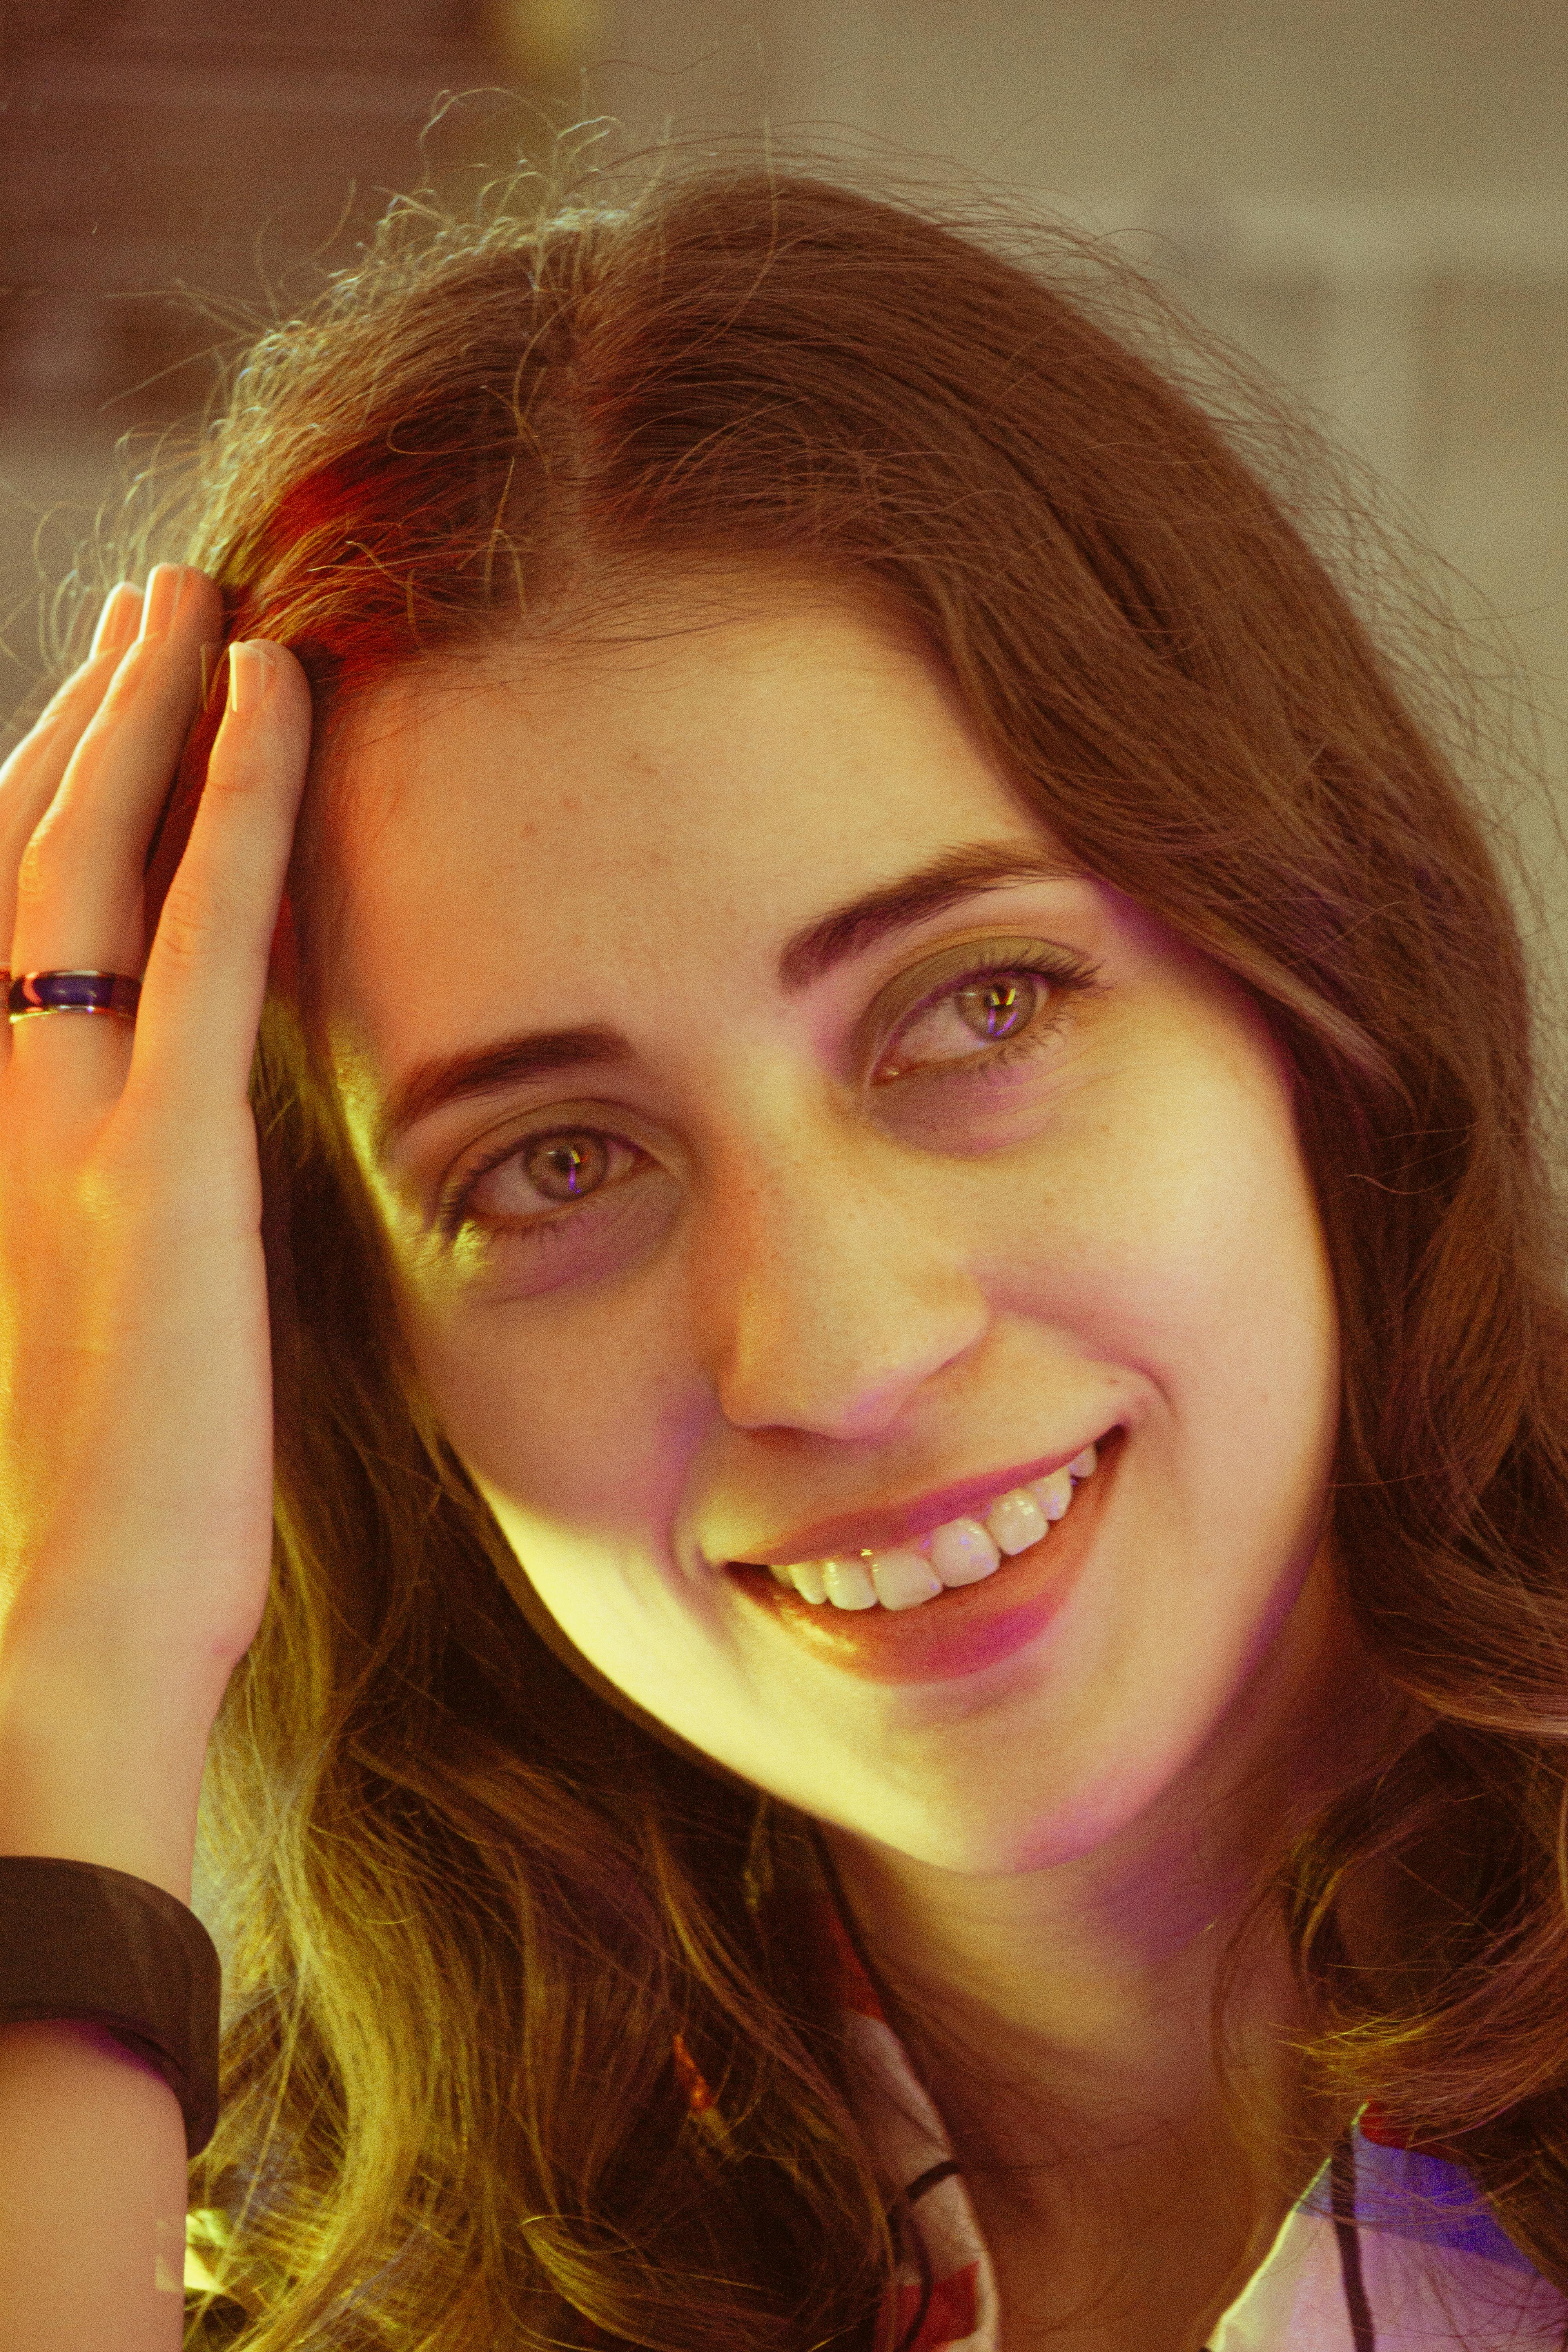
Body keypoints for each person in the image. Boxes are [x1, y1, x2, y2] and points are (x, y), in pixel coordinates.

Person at [1, 158, 1566, 2352]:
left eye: (979, 1008)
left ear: (1328, 1007)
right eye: (554, 1164)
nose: (831, 1354)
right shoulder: (283, 2270)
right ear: (348, 1355)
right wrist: (74, 1655)